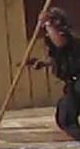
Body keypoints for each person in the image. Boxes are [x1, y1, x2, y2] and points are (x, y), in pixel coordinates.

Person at [28, 7, 80, 140]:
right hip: (73, 84)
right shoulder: (53, 41)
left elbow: (60, 43)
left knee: (67, 118)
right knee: (65, 118)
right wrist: (42, 63)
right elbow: (59, 58)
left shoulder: (66, 36)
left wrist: (48, 24)